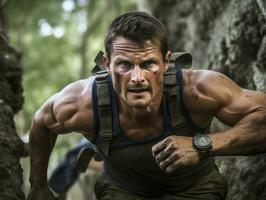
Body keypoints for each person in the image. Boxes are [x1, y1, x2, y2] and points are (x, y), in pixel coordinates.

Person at [27, 11, 266, 200]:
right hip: (123, 191)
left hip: (196, 189)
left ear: (166, 62)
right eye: (124, 65)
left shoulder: (197, 89)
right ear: (107, 64)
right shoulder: (82, 102)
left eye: (149, 63)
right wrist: (38, 186)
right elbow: (41, 123)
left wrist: (201, 145)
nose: (137, 77)